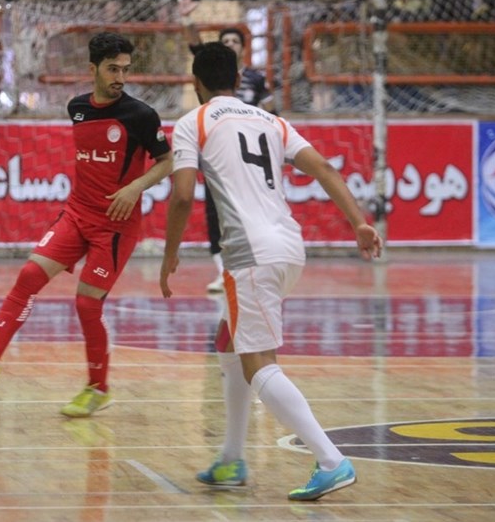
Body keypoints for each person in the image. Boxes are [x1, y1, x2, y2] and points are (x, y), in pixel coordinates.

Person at [159, 43, 382, 500]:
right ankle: (231, 458)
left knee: (259, 363)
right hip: (288, 247)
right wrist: (359, 223)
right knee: (229, 341)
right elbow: (323, 167)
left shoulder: (192, 122)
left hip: (250, 255)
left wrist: (170, 254)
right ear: (238, 79)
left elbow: (181, 196)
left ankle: (331, 460)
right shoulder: (271, 121)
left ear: (195, 82)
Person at [0, 32, 173, 418]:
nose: (120, 77)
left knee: (87, 304)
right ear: (93, 69)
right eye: (113, 69)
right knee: (28, 275)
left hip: (115, 227)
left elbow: (167, 162)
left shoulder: (140, 115)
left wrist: (135, 187)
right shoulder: (78, 108)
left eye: (125, 69)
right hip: (77, 214)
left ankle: (98, 388)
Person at [178, 0, 276, 293]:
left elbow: (272, 112)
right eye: (226, 41)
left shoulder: (255, 79)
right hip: (218, 152)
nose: (231, 45)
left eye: (235, 41)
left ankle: (254, 266)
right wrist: (187, 18)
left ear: (243, 48)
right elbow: (196, 46)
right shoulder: (212, 73)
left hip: (248, 155)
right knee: (215, 211)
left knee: (249, 210)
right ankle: (224, 272)